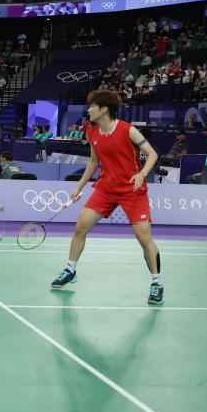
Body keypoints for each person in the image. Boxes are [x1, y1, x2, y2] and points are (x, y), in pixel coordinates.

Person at [51, 90, 164, 305]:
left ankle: (156, 282)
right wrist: (79, 186)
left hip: (132, 189)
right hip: (106, 188)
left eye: (92, 106)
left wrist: (141, 174)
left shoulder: (127, 129)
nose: (89, 110)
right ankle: (70, 270)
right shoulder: (92, 133)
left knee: (143, 238)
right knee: (81, 227)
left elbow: (152, 154)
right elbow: (94, 163)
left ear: (104, 109)